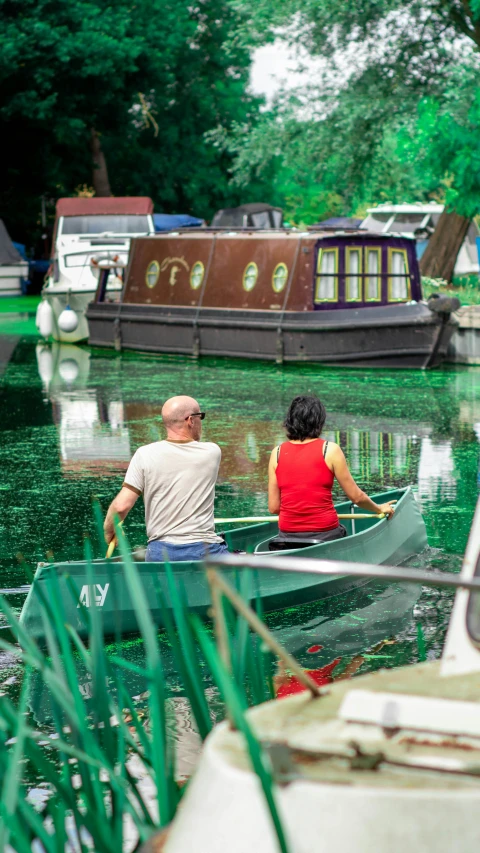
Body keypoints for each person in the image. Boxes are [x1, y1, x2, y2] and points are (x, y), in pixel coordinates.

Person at [103, 395, 228, 561]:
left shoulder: (144, 454)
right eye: (200, 417)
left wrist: (109, 530)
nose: (201, 422)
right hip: (203, 550)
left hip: (160, 553)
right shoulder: (212, 452)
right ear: (191, 420)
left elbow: (121, 506)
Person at [268, 394, 396, 545]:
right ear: (318, 420)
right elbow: (357, 498)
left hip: (286, 536)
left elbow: (274, 507)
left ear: (290, 421)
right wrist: (379, 508)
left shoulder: (277, 453)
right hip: (325, 533)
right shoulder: (329, 450)